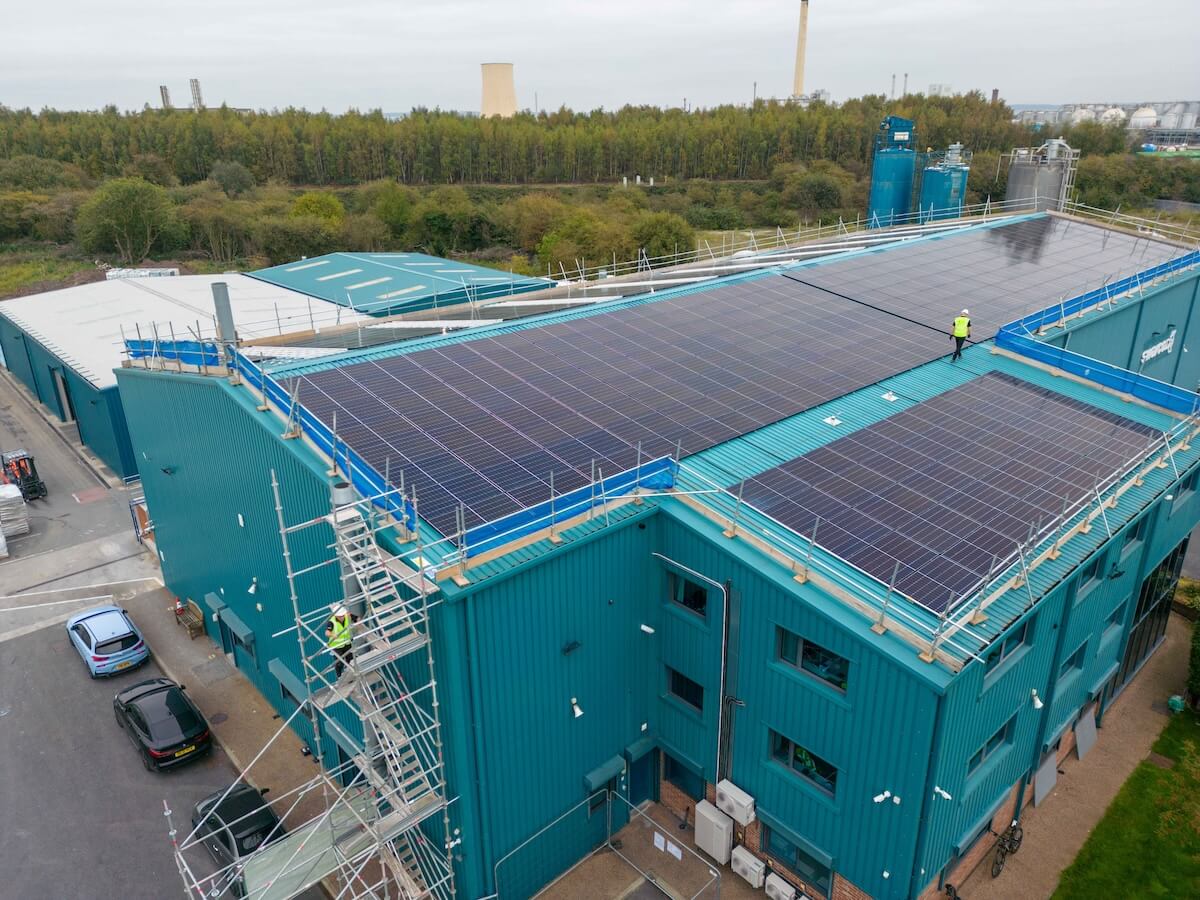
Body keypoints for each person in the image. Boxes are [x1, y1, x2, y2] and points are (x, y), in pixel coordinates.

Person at [325, 604, 353, 677]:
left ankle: (349, 674)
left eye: (343, 615)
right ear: (336, 616)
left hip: (347, 643)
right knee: (339, 663)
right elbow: (327, 633)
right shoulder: (331, 622)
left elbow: (356, 618)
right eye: (340, 616)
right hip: (336, 646)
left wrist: (358, 622)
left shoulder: (347, 616)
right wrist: (332, 635)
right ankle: (339, 676)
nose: (342, 617)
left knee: (350, 659)